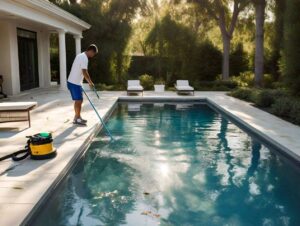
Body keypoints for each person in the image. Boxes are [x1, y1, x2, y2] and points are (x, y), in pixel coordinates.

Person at [67, 44, 98, 125]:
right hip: (74, 83)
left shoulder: (80, 55)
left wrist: (81, 83)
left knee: (79, 101)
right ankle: (77, 118)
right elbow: (84, 72)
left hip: (74, 82)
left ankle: (77, 117)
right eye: (93, 54)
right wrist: (90, 82)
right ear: (91, 51)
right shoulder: (84, 58)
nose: (93, 56)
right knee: (79, 100)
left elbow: (80, 70)